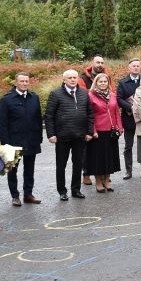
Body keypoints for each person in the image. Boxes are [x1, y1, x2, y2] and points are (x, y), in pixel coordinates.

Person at [45, 69, 94, 201]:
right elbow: (49, 116)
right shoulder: (56, 94)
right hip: (62, 136)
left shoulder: (84, 93)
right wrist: (51, 134)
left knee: (78, 164)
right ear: (64, 80)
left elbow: (90, 114)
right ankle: (62, 191)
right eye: (70, 78)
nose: (73, 80)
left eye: (75, 77)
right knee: (61, 165)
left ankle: (76, 189)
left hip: (80, 136)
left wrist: (89, 132)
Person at [0, 72, 44, 206]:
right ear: (16, 83)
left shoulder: (34, 97)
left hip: (31, 139)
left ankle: (28, 194)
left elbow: (38, 119)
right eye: (22, 81)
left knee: (30, 169)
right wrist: (5, 143)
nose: (24, 83)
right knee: (13, 170)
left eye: (26, 81)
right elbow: (3, 123)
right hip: (14, 141)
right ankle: (15, 196)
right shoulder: (7, 99)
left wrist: (39, 137)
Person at [86, 73, 123, 193]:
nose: (103, 83)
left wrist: (119, 127)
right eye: (100, 82)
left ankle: (107, 180)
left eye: (105, 81)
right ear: (96, 83)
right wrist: (93, 130)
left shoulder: (112, 95)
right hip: (98, 132)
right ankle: (98, 181)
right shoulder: (90, 96)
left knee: (110, 157)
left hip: (111, 131)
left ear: (108, 83)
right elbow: (88, 115)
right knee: (98, 158)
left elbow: (116, 111)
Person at [77, 55, 105, 186]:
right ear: (92, 63)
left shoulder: (105, 77)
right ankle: (86, 173)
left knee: (100, 149)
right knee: (86, 148)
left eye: (102, 62)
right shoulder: (82, 78)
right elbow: (83, 96)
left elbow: (111, 91)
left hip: (102, 117)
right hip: (86, 116)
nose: (100, 64)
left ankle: (103, 173)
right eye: (97, 62)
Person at [116, 58, 141, 180]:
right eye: (133, 66)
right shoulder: (122, 82)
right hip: (128, 117)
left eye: (138, 66)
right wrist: (131, 107)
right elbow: (119, 99)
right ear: (129, 68)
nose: (136, 67)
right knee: (128, 145)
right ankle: (129, 170)